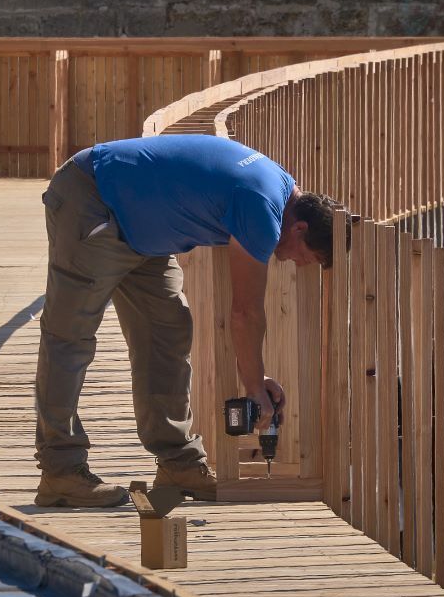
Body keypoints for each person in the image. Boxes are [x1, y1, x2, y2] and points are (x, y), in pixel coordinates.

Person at [33, 134, 340, 508]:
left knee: (168, 334)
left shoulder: (281, 188)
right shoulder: (262, 207)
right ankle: (61, 471)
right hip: (95, 199)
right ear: (300, 228)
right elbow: (245, 312)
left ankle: (179, 463)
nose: (299, 264)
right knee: (69, 337)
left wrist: (255, 379)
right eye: (308, 257)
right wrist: (253, 387)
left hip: (143, 228)